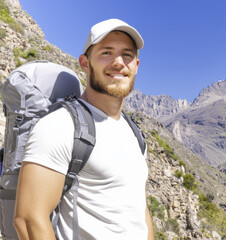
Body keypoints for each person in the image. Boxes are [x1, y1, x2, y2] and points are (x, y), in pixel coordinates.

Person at [13, 18, 155, 240]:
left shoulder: (135, 134)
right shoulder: (61, 125)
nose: (119, 62)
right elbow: (29, 220)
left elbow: (140, 212)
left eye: (127, 54)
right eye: (106, 52)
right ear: (85, 63)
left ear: (136, 65)